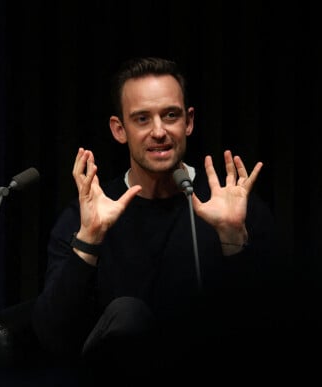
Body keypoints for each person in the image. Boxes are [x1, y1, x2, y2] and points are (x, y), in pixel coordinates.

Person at [32, 57, 276, 385]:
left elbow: (269, 330)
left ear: (188, 122)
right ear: (120, 130)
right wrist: (89, 237)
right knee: (128, 314)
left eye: (170, 115)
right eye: (142, 119)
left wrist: (233, 239)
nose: (159, 131)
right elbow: (50, 337)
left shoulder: (233, 208)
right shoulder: (88, 214)